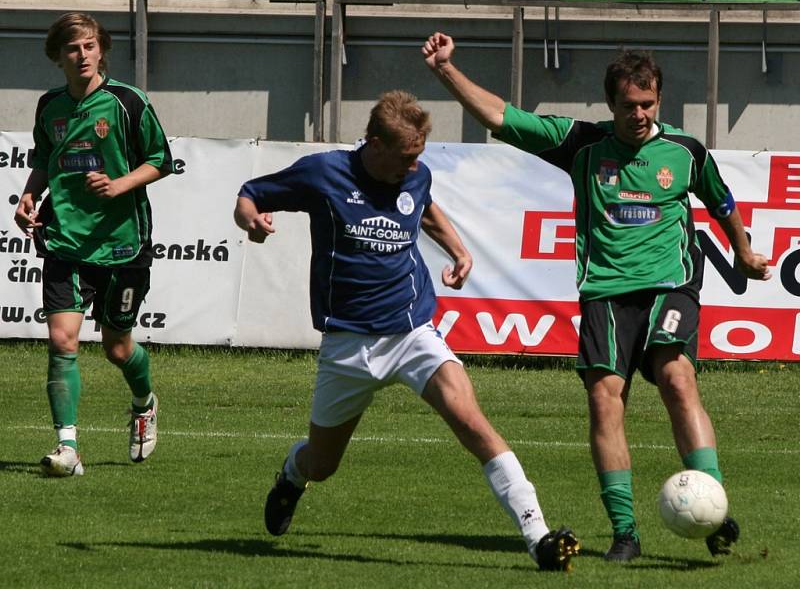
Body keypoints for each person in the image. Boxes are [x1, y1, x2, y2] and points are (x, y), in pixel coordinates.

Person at [422, 32, 771, 562]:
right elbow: (500, 117)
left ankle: (714, 505)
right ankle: (625, 531)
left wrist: (742, 249)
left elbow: (720, 199)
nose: (639, 114)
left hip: (669, 285)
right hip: (605, 293)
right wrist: (446, 69)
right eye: (628, 105)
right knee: (605, 397)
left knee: (677, 375)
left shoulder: (684, 151)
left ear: (660, 100)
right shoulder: (582, 143)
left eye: (648, 104)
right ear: (610, 104)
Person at [234, 90, 580, 571]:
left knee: (472, 423)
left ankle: (538, 537)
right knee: (323, 464)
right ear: (373, 143)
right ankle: (293, 476)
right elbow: (250, 193)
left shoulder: (416, 174)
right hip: (348, 344)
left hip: (413, 331)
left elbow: (426, 206)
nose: (412, 167)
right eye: (403, 158)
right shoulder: (324, 173)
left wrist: (459, 251)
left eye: (418, 156)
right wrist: (250, 220)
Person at [13, 12, 173, 476]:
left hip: (123, 245)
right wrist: (29, 194)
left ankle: (143, 403)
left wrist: (121, 184)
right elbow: (45, 158)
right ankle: (67, 448)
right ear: (57, 56)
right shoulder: (49, 106)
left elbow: (162, 160)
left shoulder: (127, 102)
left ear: (101, 49)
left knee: (117, 348)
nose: (81, 55)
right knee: (62, 341)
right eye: (71, 48)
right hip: (64, 239)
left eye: (88, 46)